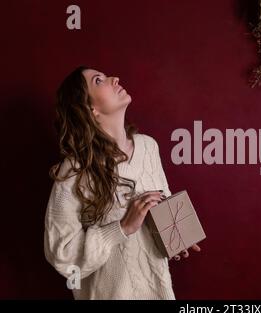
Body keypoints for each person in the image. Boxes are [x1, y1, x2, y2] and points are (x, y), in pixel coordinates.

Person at [44, 66, 201, 300]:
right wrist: (123, 228)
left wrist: (173, 235)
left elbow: (161, 206)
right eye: (99, 81)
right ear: (90, 108)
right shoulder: (75, 169)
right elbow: (62, 255)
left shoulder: (148, 147)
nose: (114, 78)